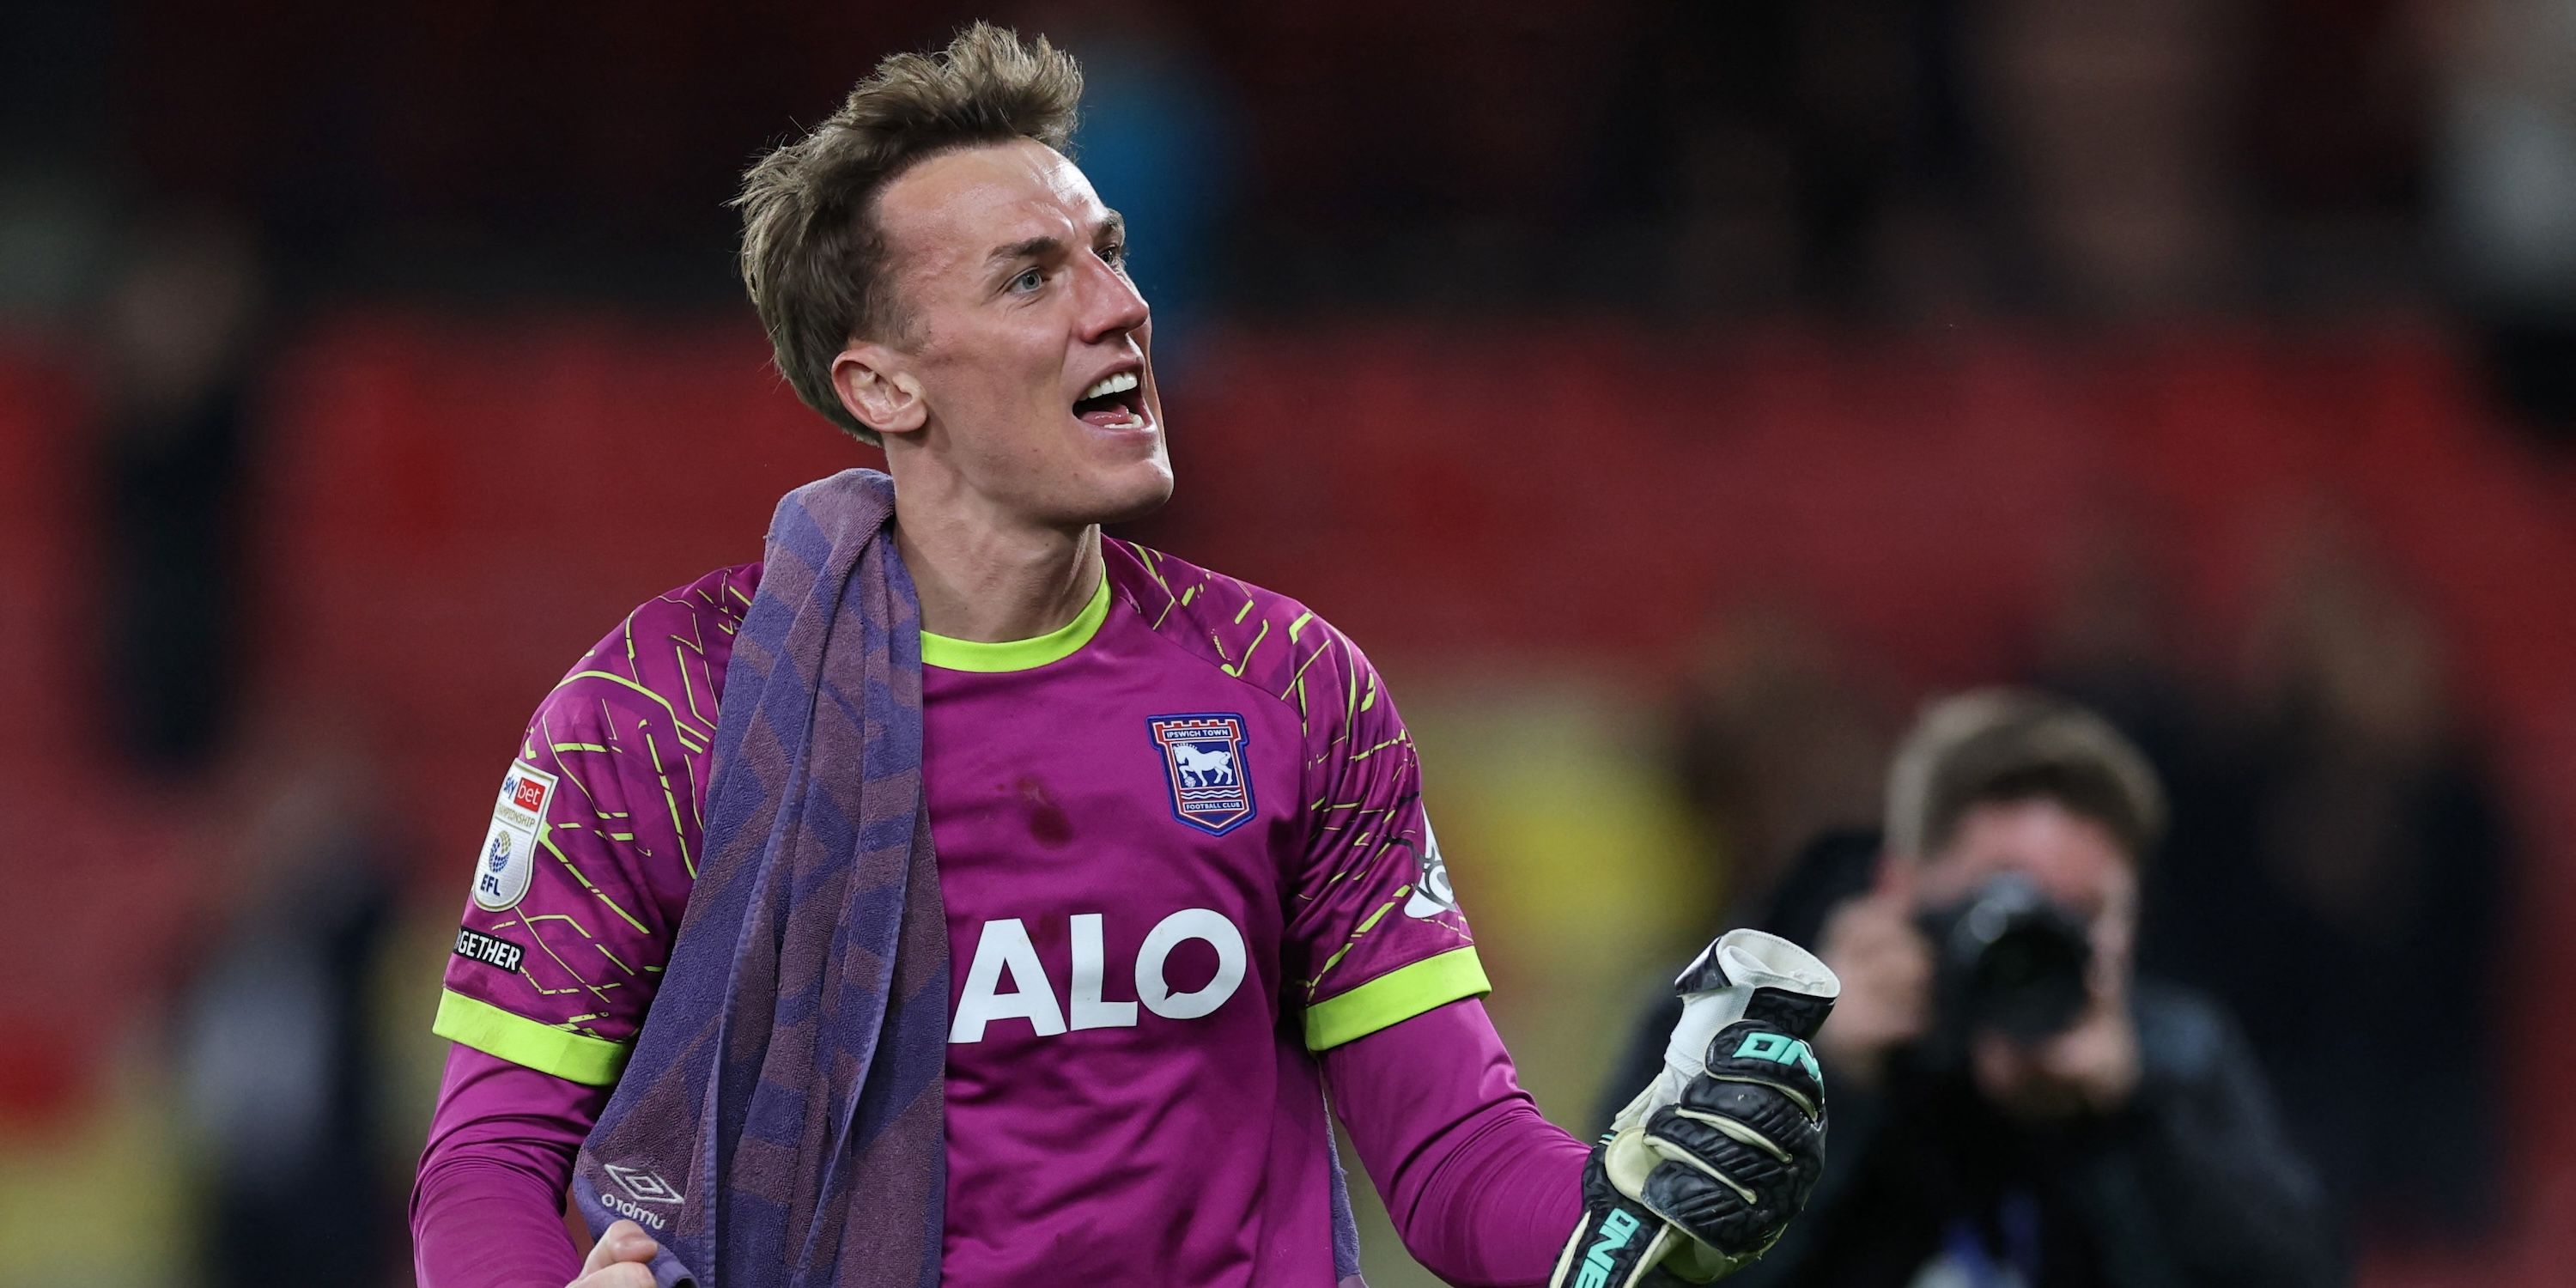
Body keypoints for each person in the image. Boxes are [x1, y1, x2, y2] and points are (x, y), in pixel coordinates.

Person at [410, 25, 1826, 1288]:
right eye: (1033, 277)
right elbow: (486, 1170)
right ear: (881, 383)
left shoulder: (1290, 688)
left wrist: (1622, 1220)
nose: (1118, 307)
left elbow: (1453, 1157)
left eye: (1111, 252)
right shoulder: (660, 712)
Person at [1604, 690, 2339, 1288]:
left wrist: (2125, 1126)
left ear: (2131, 924)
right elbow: (1623, 1267)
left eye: (2081, 913)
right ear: (1900, 887)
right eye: (2007, 899)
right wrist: (1824, 1090)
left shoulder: (2175, 1057)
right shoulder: (1718, 1028)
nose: (2039, 939)